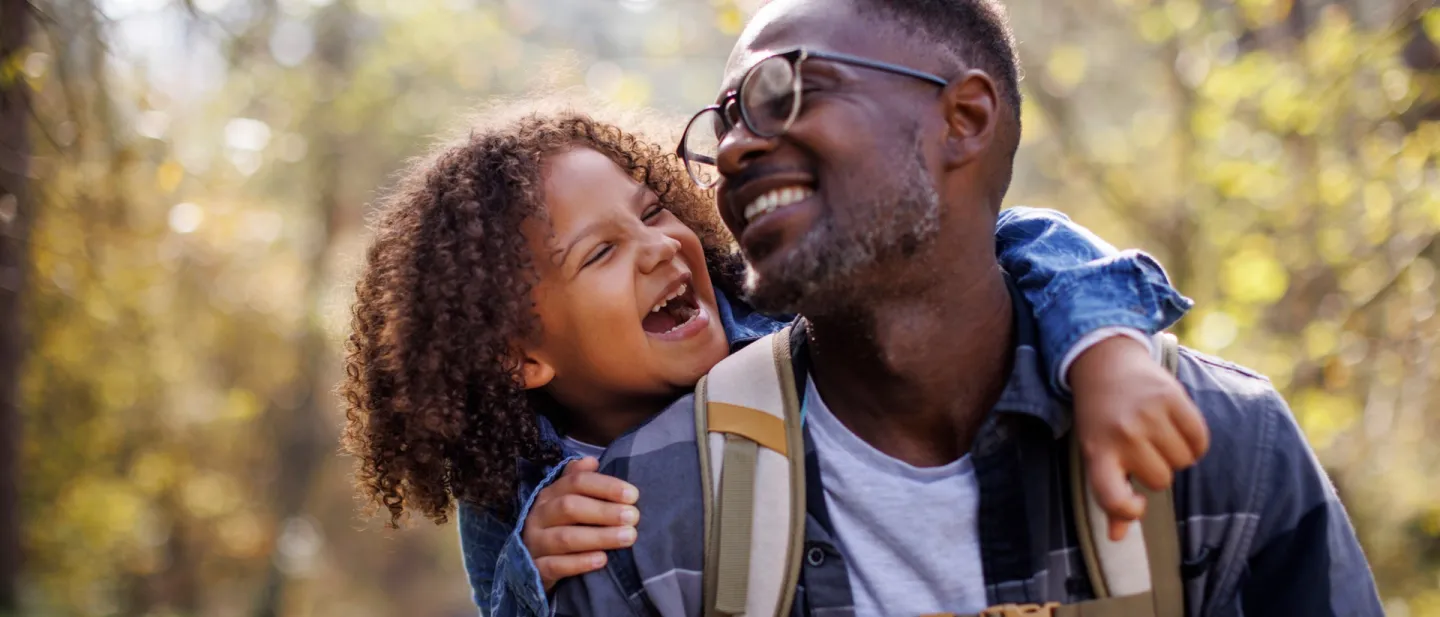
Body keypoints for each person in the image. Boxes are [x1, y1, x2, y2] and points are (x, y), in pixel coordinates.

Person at [542, 1, 1384, 616]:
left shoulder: (1219, 453)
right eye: (719, 124)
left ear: (965, 119)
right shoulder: (647, 524)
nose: (731, 148)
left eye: (781, 90)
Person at [337, 107, 1200, 616]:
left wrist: (1107, 349)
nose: (659, 248)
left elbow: (1009, 237)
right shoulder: (514, 494)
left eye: (653, 211)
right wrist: (532, 563)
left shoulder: (790, 310)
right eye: (599, 254)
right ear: (519, 355)